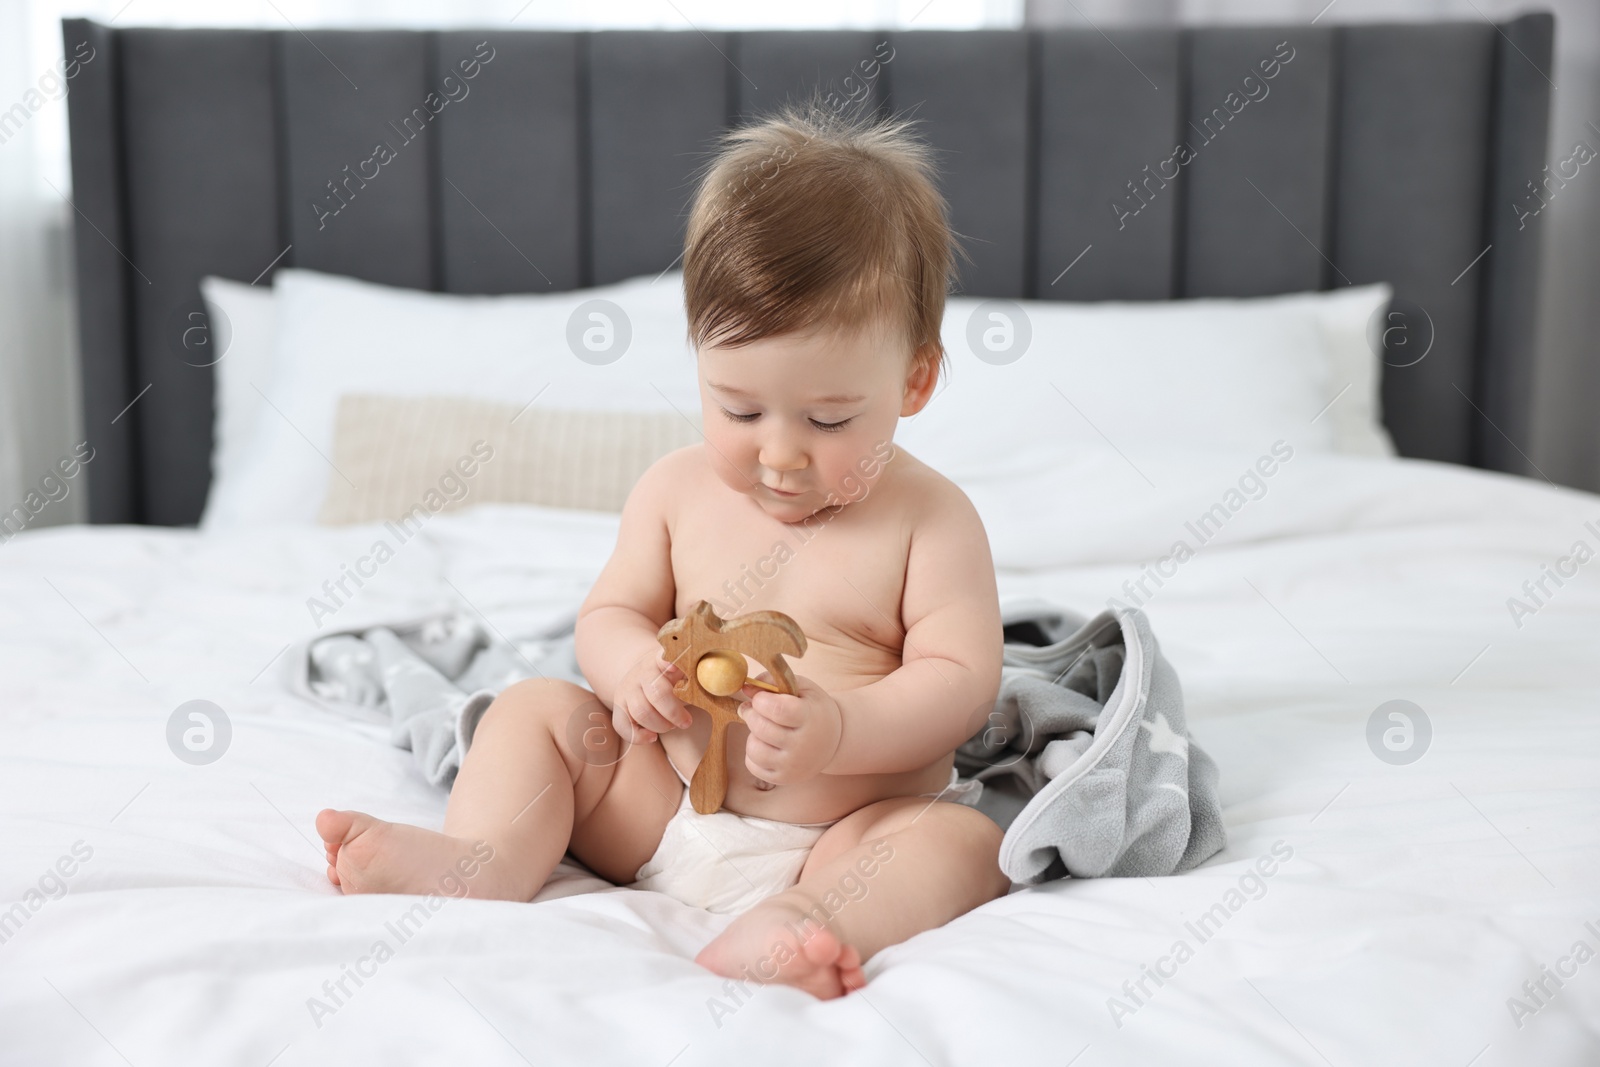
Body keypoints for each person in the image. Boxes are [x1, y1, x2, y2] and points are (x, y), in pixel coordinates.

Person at [316, 103, 1008, 999]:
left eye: (829, 418)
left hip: (839, 832)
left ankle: (807, 923)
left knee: (962, 843)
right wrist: (632, 667)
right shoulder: (674, 490)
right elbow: (610, 613)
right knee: (532, 710)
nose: (779, 452)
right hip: (662, 805)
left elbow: (959, 684)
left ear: (913, 378)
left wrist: (842, 730)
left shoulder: (932, 520)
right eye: (739, 408)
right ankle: (481, 858)